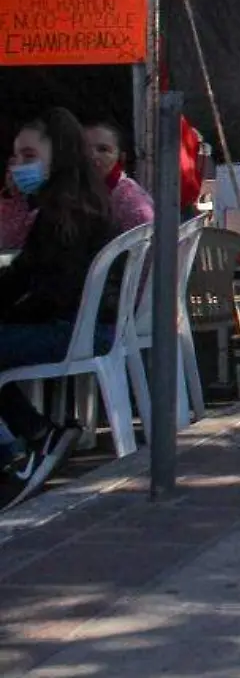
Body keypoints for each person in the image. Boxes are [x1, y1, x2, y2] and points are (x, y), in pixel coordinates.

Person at [0, 109, 120, 507]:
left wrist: (10, 313)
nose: (20, 166)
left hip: (73, 328)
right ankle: (35, 433)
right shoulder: (73, 203)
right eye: (16, 157)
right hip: (84, 325)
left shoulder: (64, 214)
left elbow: (50, 291)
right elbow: (23, 275)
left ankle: (20, 449)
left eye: (30, 156)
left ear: (61, 154)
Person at [81, 121, 156, 233]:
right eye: (84, 148)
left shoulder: (131, 203)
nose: (92, 156)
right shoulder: (76, 189)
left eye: (103, 150)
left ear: (121, 157)